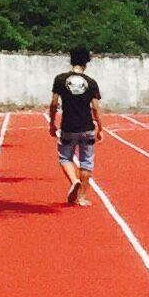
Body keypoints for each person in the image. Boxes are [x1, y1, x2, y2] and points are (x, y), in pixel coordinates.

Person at [47, 47, 105, 205]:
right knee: (86, 162)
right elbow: (95, 107)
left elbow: (53, 103)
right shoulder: (91, 83)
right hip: (87, 127)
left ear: (71, 60)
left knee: (65, 158)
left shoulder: (60, 79)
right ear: (86, 62)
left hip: (68, 127)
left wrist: (52, 123)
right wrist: (100, 127)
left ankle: (74, 180)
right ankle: (82, 197)